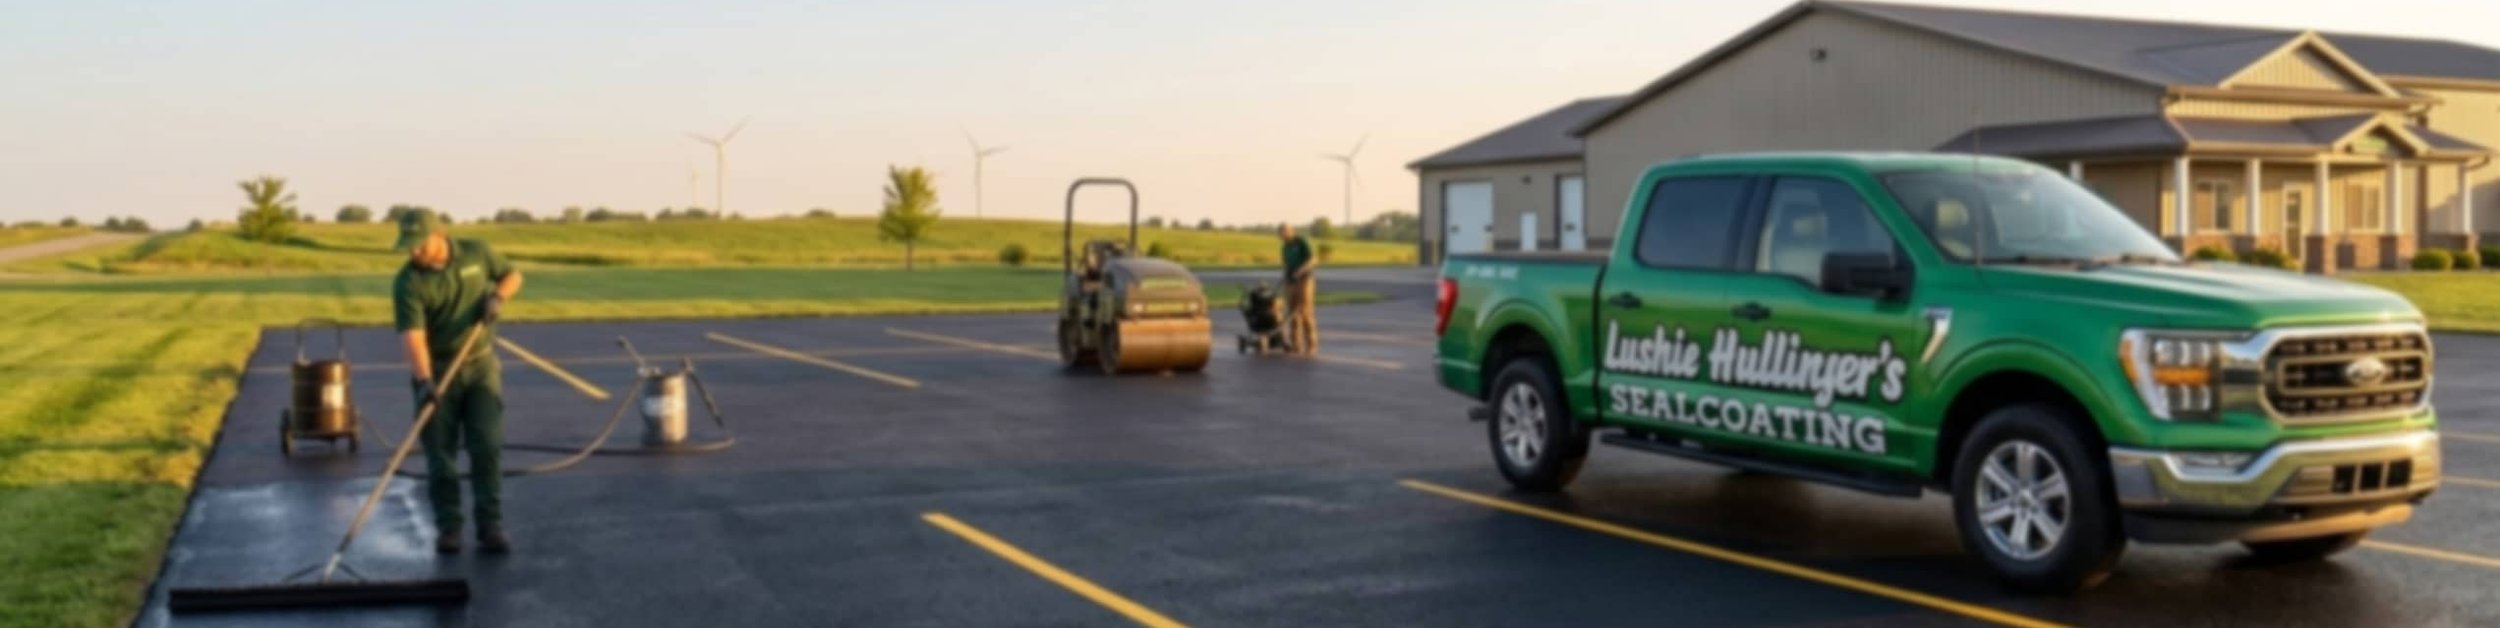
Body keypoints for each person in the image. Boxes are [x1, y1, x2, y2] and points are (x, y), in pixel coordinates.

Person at [393, 209, 524, 554]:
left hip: (481, 367)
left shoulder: (476, 252)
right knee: (441, 454)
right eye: (408, 246)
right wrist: (424, 381)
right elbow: (414, 338)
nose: (413, 253)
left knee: (487, 446)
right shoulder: (408, 282)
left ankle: (490, 525)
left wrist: (498, 297)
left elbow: (512, 275)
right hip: (436, 370)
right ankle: (449, 527)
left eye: (419, 245)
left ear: (440, 234)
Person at [1278, 224, 1318, 354]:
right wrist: (1286, 276)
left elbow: (1313, 259)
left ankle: (1311, 344)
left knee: (1305, 311)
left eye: (1284, 232)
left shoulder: (1301, 242)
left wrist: (1301, 270)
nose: (1282, 236)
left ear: (1292, 231)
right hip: (1291, 279)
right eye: (1280, 233)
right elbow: (1286, 263)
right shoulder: (1285, 247)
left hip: (1304, 278)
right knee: (1292, 312)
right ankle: (1296, 344)